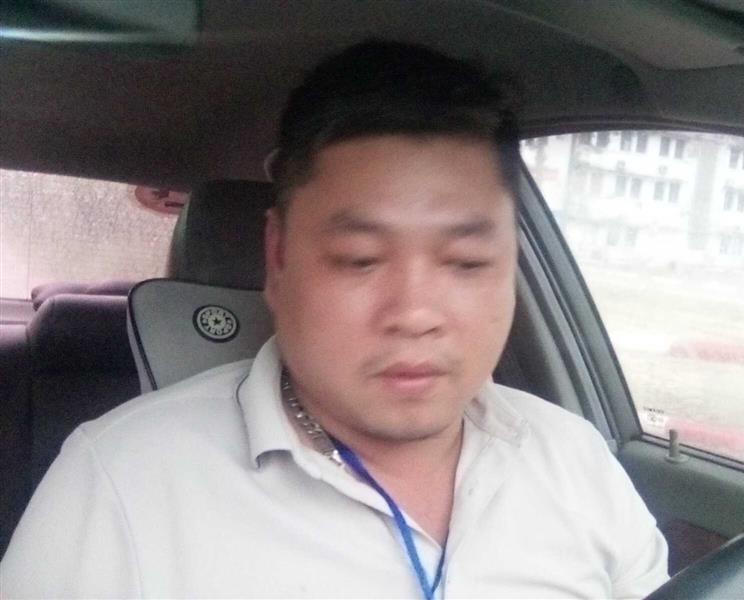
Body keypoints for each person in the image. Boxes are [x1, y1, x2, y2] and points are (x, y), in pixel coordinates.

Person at [1, 40, 668, 598]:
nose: (415, 314)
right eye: (359, 259)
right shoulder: (123, 484)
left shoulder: (573, 460)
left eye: (467, 262)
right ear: (278, 258)